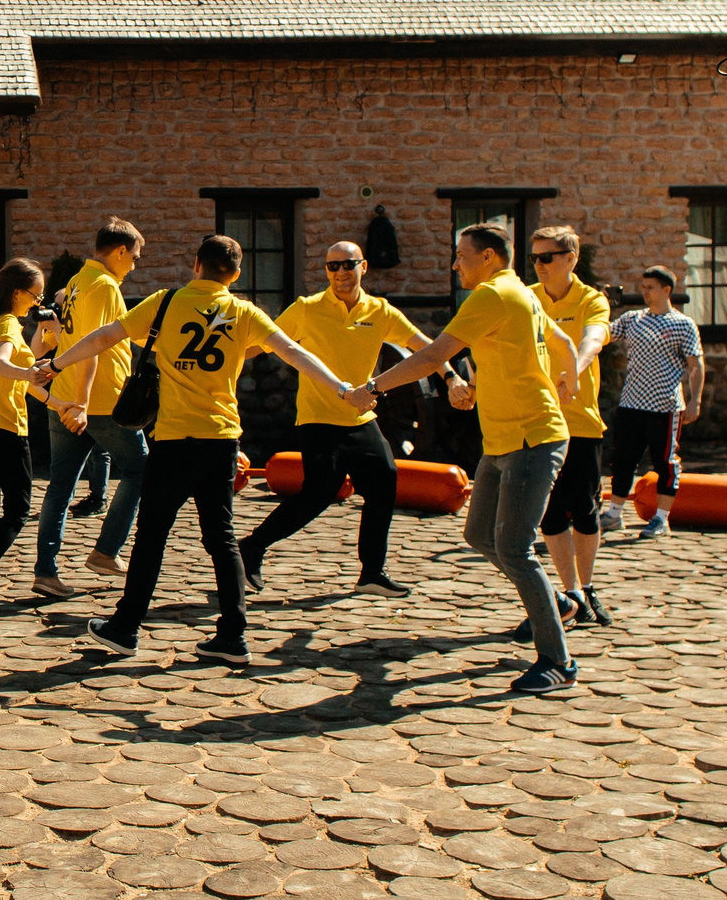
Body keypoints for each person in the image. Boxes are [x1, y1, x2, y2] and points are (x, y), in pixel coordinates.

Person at [53, 235, 362, 663]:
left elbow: (105, 337)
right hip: (220, 439)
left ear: (196, 264)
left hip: (175, 439)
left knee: (151, 537)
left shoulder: (167, 301)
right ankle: (233, 635)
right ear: (235, 274)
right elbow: (294, 352)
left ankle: (125, 627)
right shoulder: (243, 311)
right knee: (222, 538)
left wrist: (54, 364)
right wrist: (344, 389)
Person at [345, 224, 582, 695]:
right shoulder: (520, 293)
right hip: (502, 440)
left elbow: (434, 354)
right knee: (478, 535)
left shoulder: (493, 296)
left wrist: (372, 388)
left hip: (532, 439)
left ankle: (558, 661)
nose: (456, 264)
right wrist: (557, 380)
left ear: (490, 257)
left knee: (513, 546)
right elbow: (562, 345)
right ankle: (552, 603)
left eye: (461, 255)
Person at [235, 239, 444, 600]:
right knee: (319, 493)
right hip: (318, 418)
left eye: (349, 265)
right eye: (333, 267)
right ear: (326, 271)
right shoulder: (306, 309)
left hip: (361, 418)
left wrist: (452, 377)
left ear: (364, 267)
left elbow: (425, 347)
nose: (341, 273)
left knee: (385, 480)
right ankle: (252, 547)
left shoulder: (381, 311)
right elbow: (260, 345)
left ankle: (372, 573)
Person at [0, 258, 85, 618]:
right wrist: (29, 369)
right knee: (17, 511)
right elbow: (4, 367)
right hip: (3, 430)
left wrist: (57, 403)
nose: (38, 301)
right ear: (17, 292)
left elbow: (22, 380)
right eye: (35, 294)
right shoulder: (8, 326)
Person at [32, 219, 150, 599]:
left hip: (63, 397)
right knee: (140, 472)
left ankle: (45, 572)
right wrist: (82, 403)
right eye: (133, 257)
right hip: (97, 403)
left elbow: (65, 309)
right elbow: (93, 345)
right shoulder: (102, 286)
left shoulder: (80, 281)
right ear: (118, 252)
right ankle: (105, 551)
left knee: (60, 488)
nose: (135, 264)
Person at [530, 226, 615, 628]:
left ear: (571, 258)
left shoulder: (590, 299)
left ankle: (589, 583)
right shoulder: (528, 298)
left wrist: (573, 373)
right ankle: (572, 593)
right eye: (534, 258)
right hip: (540, 420)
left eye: (547, 257)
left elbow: (593, 339)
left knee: (584, 508)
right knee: (549, 515)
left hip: (580, 421)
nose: (539, 265)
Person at [604, 264, 705, 539]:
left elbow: (695, 364)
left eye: (651, 288)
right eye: (643, 287)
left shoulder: (683, 324)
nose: (645, 293)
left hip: (664, 406)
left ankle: (661, 518)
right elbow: (603, 335)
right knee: (623, 460)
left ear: (666, 290)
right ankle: (614, 513)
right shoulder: (632, 319)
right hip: (632, 402)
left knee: (665, 463)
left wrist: (695, 399)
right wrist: (601, 308)